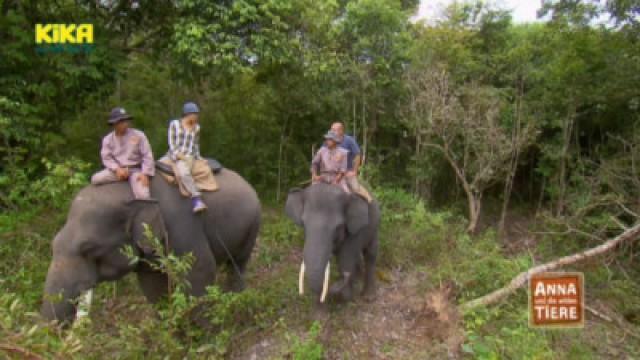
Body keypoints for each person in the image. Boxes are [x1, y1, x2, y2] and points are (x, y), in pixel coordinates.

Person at [91, 107, 154, 199]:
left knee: (143, 195)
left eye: (126, 120)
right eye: (121, 121)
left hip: (135, 169)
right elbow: (106, 157)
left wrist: (145, 173)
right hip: (118, 170)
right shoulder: (108, 140)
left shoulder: (139, 135)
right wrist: (116, 169)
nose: (125, 124)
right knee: (95, 179)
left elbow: (147, 155)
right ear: (114, 124)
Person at [166, 102, 207, 213]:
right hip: (175, 154)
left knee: (184, 173)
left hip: (189, 156)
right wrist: (178, 155)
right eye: (194, 114)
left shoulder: (197, 128)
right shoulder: (174, 124)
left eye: (197, 114)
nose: (196, 116)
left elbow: (195, 144)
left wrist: (198, 157)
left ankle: (196, 199)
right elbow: (171, 142)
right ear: (187, 114)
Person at [330, 122, 372, 202]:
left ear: (341, 130)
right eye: (332, 130)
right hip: (332, 172)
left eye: (334, 130)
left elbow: (357, 155)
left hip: (347, 171)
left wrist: (354, 171)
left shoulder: (349, 140)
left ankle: (370, 202)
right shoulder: (329, 141)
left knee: (355, 188)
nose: (332, 132)